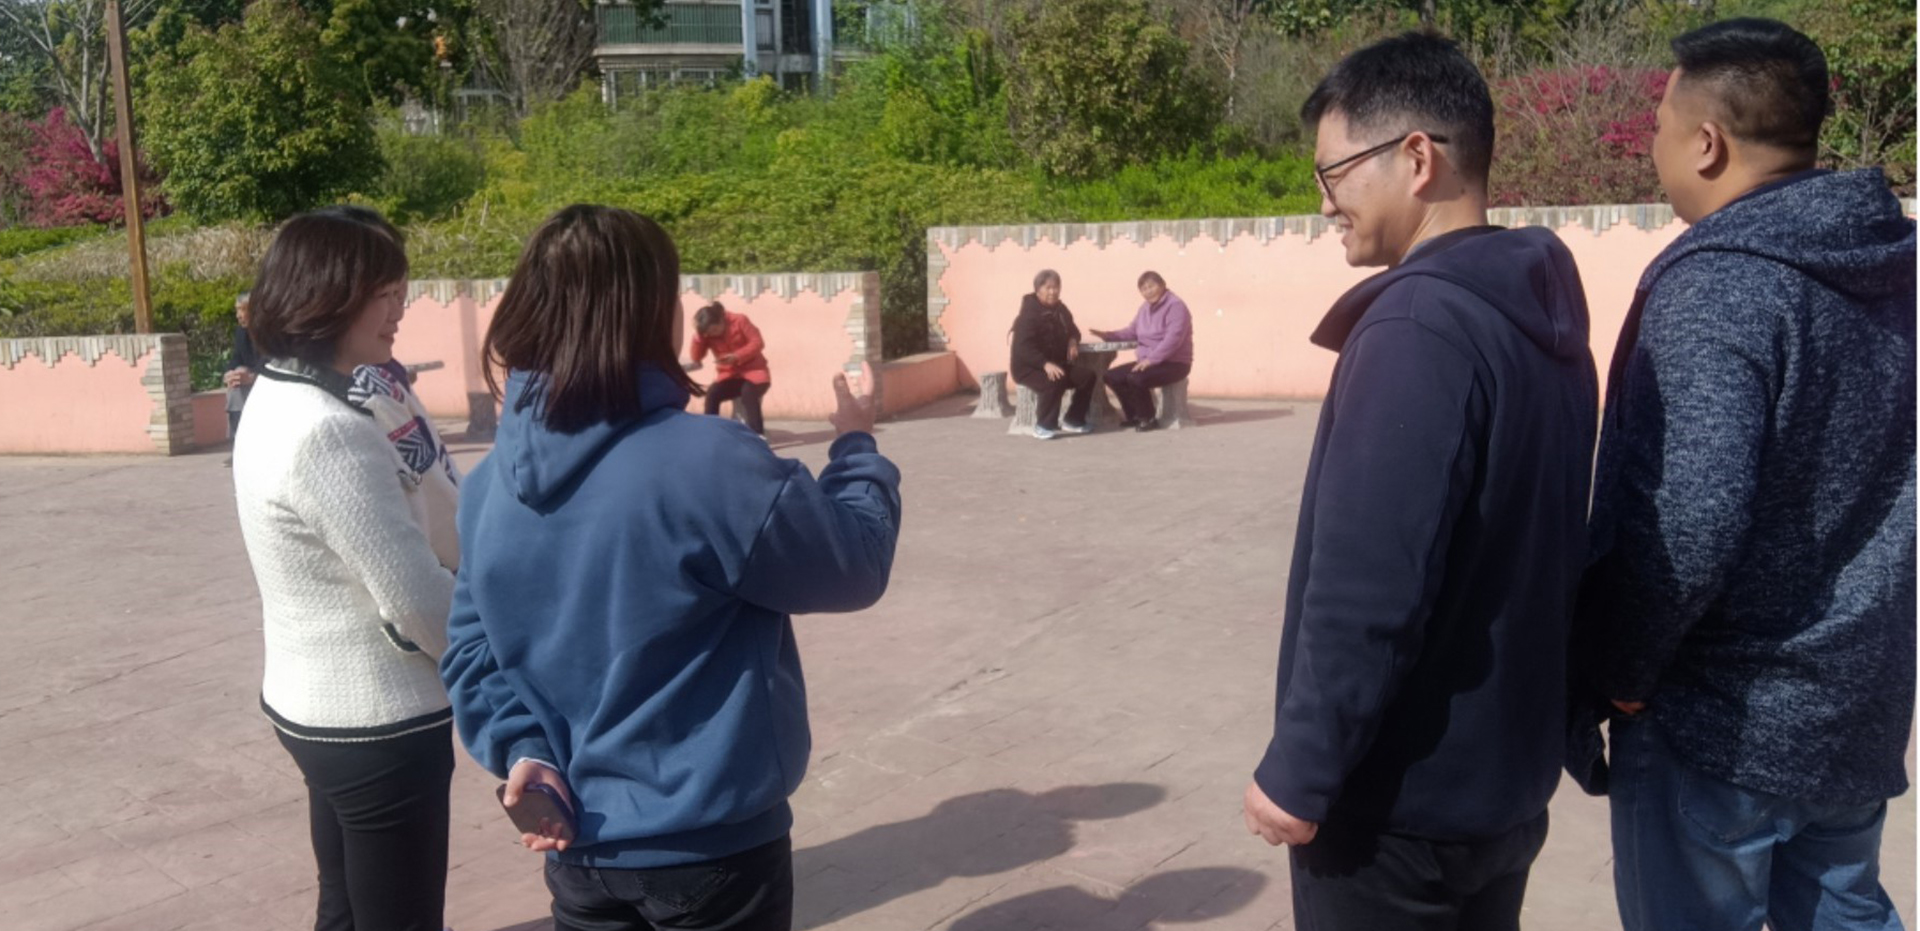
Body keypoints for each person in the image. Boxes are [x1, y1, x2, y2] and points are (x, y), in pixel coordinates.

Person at [441, 205, 903, 931]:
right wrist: (856, 449)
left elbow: (471, 648)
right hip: (710, 845)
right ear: (649, 312)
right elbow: (854, 565)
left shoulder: (487, 483)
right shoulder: (710, 461)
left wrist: (522, 746)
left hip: (577, 848)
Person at [1239, 32, 1598, 930]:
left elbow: (1370, 584)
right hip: (1502, 790)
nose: (1324, 203)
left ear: (1416, 158)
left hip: (1399, 814)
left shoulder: (1418, 326)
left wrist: (1301, 768)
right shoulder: (1537, 311)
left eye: (1333, 173)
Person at [1572, 19, 1915, 931]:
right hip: (1856, 706)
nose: (1650, 147)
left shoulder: (1718, 283)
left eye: (1657, 126)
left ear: (1707, 143)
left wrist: (1621, 669)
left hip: (1718, 726)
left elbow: (1690, 518)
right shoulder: (1894, 266)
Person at [231, 206, 457, 931]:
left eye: (400, 291)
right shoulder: (328, 429)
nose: (399, 310)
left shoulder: (281, 390)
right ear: (325, 296)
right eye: (383, 294)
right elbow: (418, 600)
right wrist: (501, 665)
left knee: (347, 906)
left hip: (318, 709)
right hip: (378, 721)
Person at [1090, 272, 1193, 432]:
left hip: (1175, 363)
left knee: (1136, 378)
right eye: (1143, 289)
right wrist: (1108, 335)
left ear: (1162, 285)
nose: (1148, 291)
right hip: (1149, 362)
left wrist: (1150, 360)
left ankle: (1148, 418)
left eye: (1151, 286)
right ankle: (1135, 416)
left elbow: (1173, 340)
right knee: (1112, 376)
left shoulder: (1176, 306)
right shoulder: (1145, 308)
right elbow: (1132, 331)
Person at [1009, 269, 1096, 439]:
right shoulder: (1028, 315)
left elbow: (1074, 331)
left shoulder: (1061, 310)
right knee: (1055, 380)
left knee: (1088, 377)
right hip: (1029, 368)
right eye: (1048, 288)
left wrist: (1073, 341)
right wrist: (1044, 364)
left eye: (1056, 287)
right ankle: (1044, 426)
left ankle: (1073, 420)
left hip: (1056, 364)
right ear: (1038, 290)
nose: (1053, 292)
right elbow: (1023, 348)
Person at [688, 300, 772, 435]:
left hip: (755, 374)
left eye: (714, 330)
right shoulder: (706, 335)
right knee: (713, 393)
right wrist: (698, 338)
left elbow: (757, 342)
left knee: (748, 393)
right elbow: (696, 357)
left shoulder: (740, 320)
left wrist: (737, 356)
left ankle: (757, 434)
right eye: (709, 333)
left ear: (721, 320)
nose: (713, 335)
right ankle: (710, 432)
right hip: (730, 376)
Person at [221, 291, 261, 464]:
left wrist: (252, 377)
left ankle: (242, 449)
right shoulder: (240, 332)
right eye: (237, 310)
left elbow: (274, 362)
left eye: (242, 310)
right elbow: (236, 358)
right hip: (247, 381)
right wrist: (229, 374)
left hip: (268, 381)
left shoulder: (270, 332)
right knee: (235, 385)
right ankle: (238, 448)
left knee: (238, 386)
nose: (238, 315)